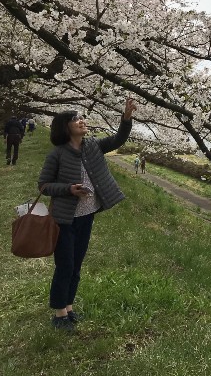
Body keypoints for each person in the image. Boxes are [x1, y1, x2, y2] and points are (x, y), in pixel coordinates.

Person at [38, 99, 136, 332]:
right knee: (65, 264)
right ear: (65, 127)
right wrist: (68, 190)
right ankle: (59, 314)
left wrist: (126, 117)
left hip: (87, 215)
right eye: (75, 119)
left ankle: (69, 307)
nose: (81, 121)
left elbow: (117, 140)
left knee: (77, 264)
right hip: (64, 219)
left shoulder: (91, 146)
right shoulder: (58, 154)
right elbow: (43, 185)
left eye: (81, 117)